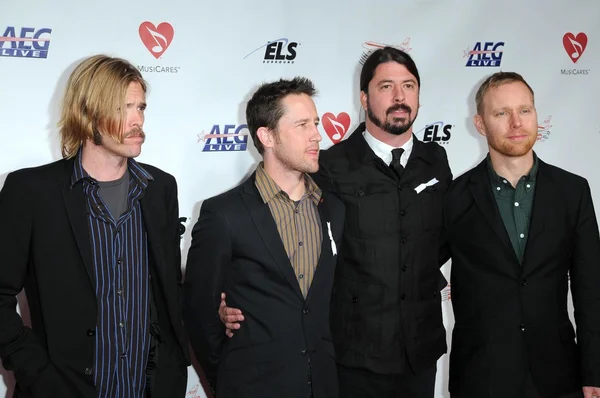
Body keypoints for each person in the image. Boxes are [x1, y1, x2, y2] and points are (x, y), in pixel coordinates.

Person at [220, 46, 452, 397]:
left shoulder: (437, 160)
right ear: (364, 96)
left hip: (421, 350)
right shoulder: (329, 165)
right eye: (386, 86)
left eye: (409, 85)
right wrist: (226, 300)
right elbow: (264, 218)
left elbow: (444, 241)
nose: (400, 96)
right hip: (352, 357)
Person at [0, 55, 190, 398]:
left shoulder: (160, 188)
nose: (137, 120)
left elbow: (167, 291)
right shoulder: (31, 192)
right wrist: (35, 371)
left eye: (141, 107)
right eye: (123, 108)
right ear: (88, 115)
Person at [183, 77, 345, 398]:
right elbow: (198, 314)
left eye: (315, 122)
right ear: (266, 136)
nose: (317, 134)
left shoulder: (334, 209)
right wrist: (230, 379)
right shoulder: (224, 214)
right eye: (302, 125)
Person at [444, 71, 600, 398]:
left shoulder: (573, 191)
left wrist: (594, 373)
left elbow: (590, 290)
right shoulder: (454, 196)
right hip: (481, 377)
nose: (517, 123)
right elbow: (419, 272)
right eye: (502, 113)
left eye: (524, 110)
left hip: (559, 376)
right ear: (480, 124)